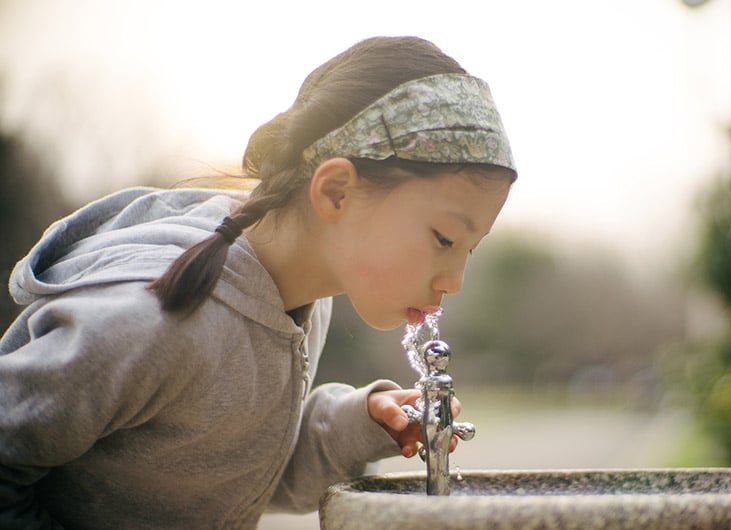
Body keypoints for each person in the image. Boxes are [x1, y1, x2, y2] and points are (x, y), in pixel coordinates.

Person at [0, 35, 517, 528]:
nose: (454, 281)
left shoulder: (295, 302)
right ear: (336, 192)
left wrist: (354, 426)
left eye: (470, 250)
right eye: (446, 239)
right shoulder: (151, 324)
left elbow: (228, 473)